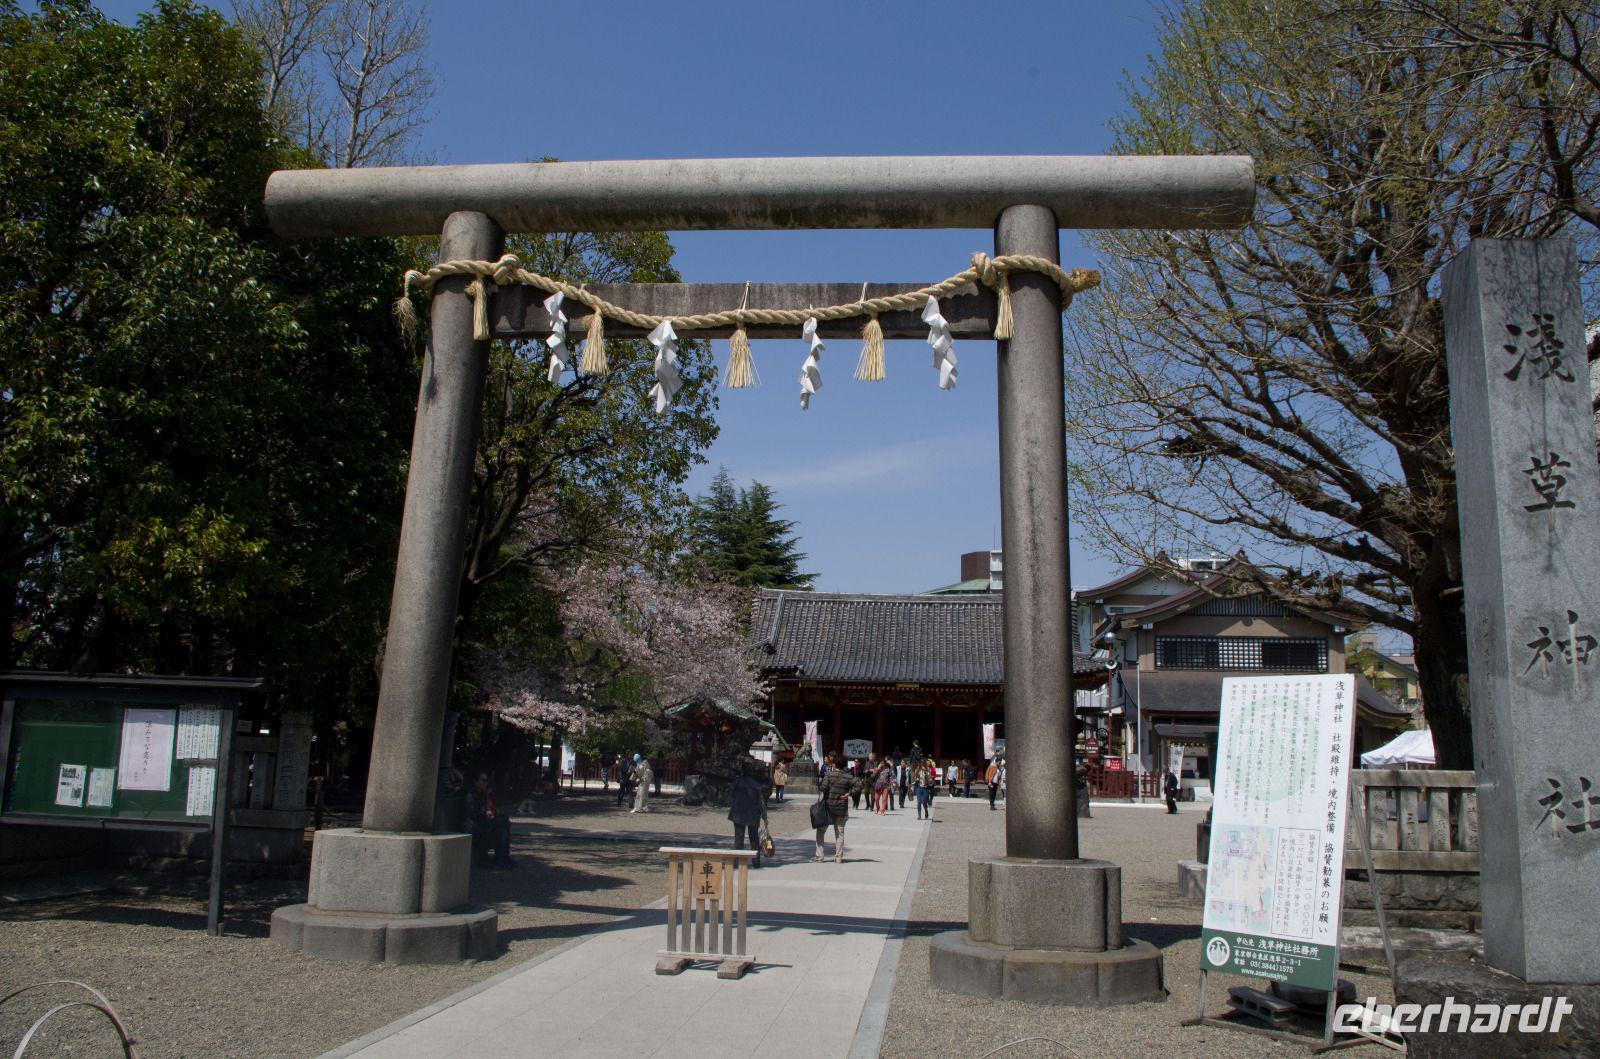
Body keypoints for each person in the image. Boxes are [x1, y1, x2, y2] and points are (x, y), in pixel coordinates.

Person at [815, 752, 861, 862]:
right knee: (840, 833)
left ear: (834, 764)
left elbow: (822, 788)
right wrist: (849, 794)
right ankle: (838, 857)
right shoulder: (848, 776)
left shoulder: (829, 775)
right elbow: (859, 784)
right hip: (841, 808)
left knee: (821, 830)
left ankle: (820, 855)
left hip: (828, 807)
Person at [465, 772, 514, 868]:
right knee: (500, 826)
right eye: (483, 780)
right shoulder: (471, 796)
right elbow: (472, 814)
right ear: (476, 781)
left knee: (503, 821)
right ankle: (500, 858)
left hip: (483, 823)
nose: (485, 783)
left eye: (486, 780)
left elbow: (490, 809)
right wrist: (485, 814)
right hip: (474, 826)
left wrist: (492, 813)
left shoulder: (483, 795)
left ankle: (504, 857)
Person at [729, 763, 768, 867]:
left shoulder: (737, 782)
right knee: (754, 839)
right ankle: (756, 862)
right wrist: (765, 817)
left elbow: (732, 795)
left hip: (738, 813)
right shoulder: (756, 785)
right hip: (752, 814)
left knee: (738, 839)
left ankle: (737, 862)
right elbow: (761, 802)